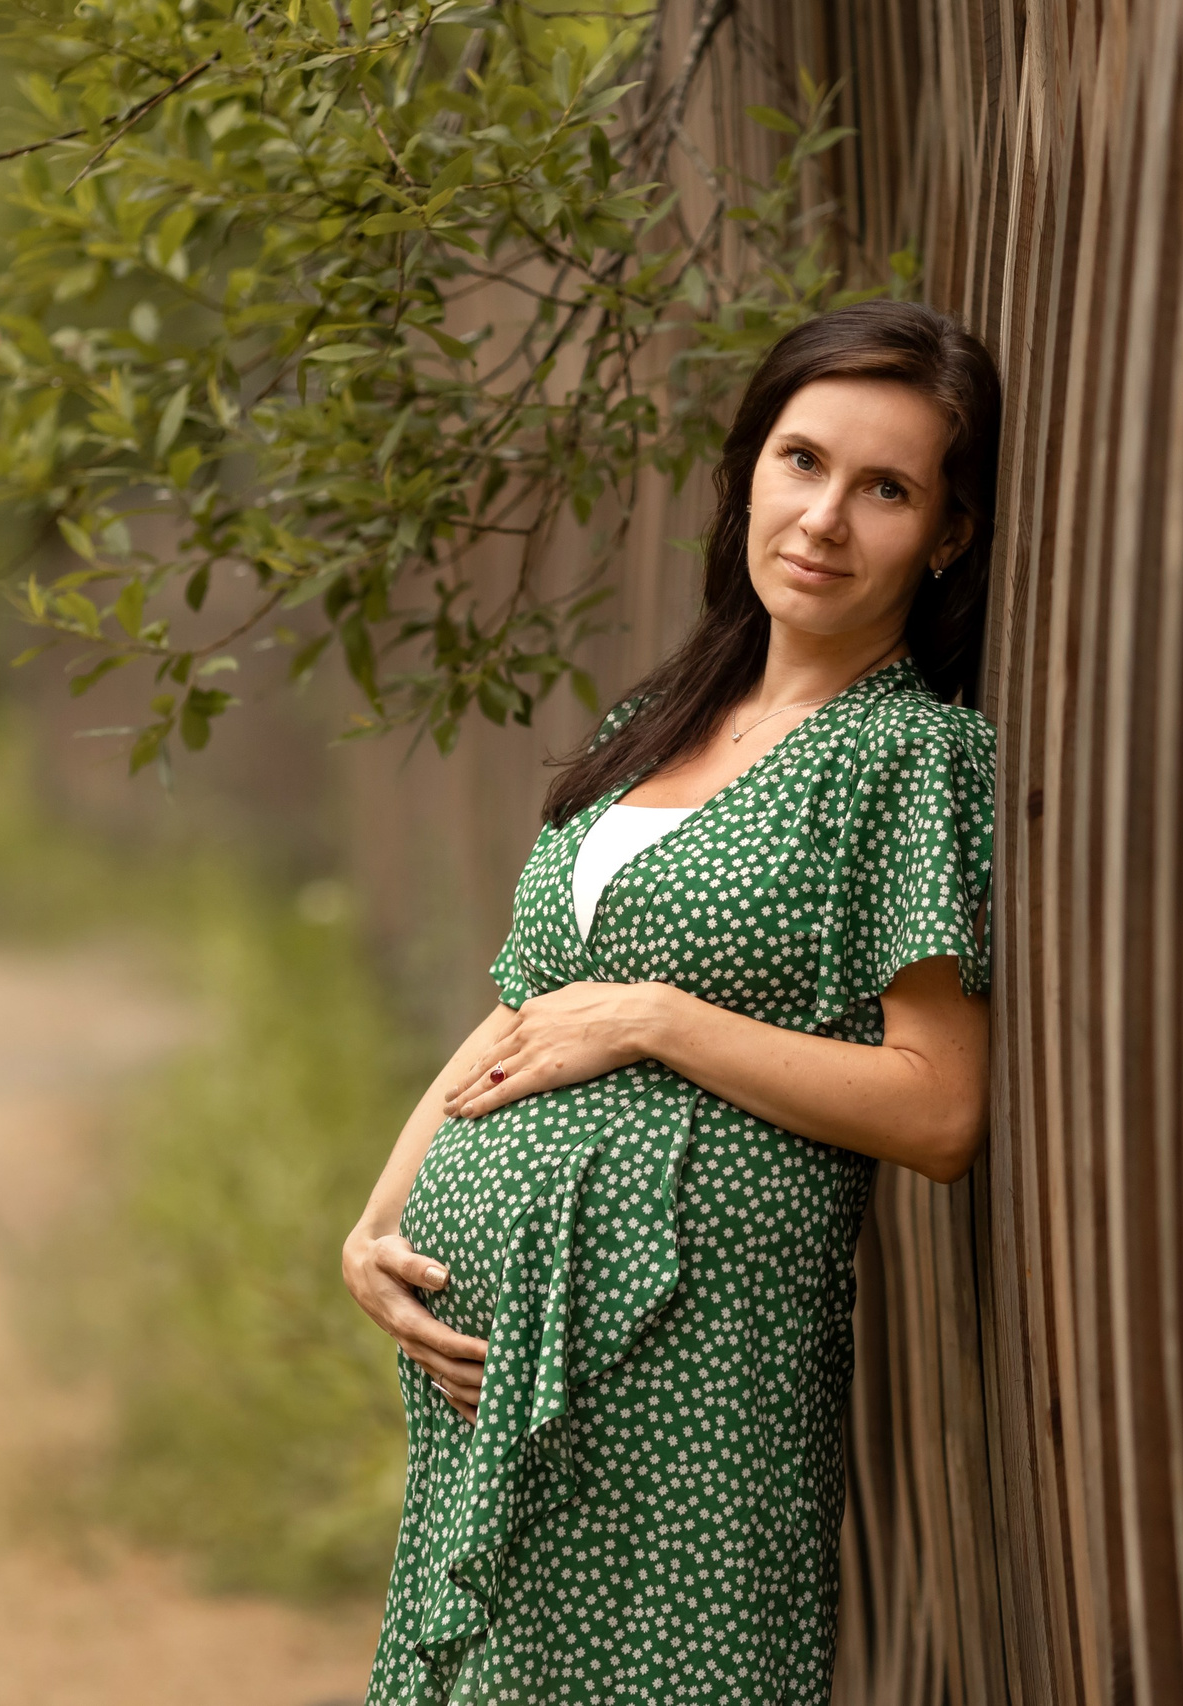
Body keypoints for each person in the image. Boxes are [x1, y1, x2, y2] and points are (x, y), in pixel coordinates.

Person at [342, 300, 1004, 1704]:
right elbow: (526, 1006)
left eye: (885, 488)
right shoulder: (651, 725)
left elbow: (941, 1106)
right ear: (747, 472)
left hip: (699, 1368)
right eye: (801, 461)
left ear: (945, 535)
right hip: (503, 1364)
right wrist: (381, 1221)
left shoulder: (909, 758)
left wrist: (654, 1017)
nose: (824, 517)